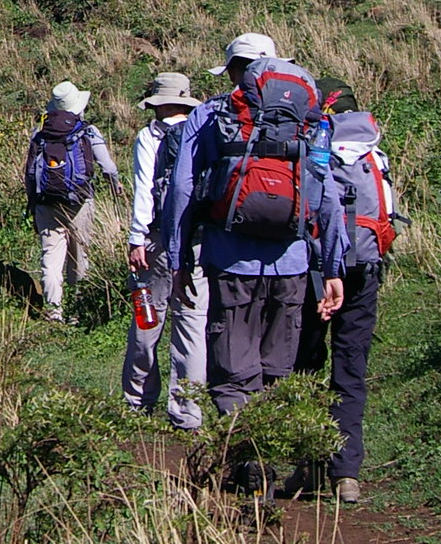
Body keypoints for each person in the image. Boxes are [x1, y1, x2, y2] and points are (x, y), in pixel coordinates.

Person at [160, 33, 348, 495]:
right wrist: (332, 267)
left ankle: (245, 463)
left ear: (234, 71)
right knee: (275, 369)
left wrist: (179, 257)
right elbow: (326, 193)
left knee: (231, 366)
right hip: (293, 263)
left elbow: (182, 190)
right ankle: (266, 460)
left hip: (230, 259)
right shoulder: (310, 118)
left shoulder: (211, 115)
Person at [293, 82, 403, 505]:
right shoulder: (375, 152)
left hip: (316, 270)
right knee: (350, 368)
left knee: (304, 363)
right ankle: (347, 473)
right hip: (364, 268)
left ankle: (307, 464)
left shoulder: (312, 144)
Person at [121, 72, 209, 430]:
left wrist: (136, 237)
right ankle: (188, 412)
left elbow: (145, 188)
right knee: (191, 324)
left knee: (148, 317)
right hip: (199, 240)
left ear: (158, 103)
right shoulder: (206, 131)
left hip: (157, 239)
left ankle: (138, 399)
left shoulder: (151, 136)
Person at [24, 80, 125, 323]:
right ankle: (78, 310)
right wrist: (116, 186)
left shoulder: (40, 133)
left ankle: (53, 310)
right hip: (79, 201)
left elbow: (29, 173)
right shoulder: (88, 131)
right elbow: (108, 167)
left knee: (51, 256)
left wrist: (32, 204)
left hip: (46, 203)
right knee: (79, 255)